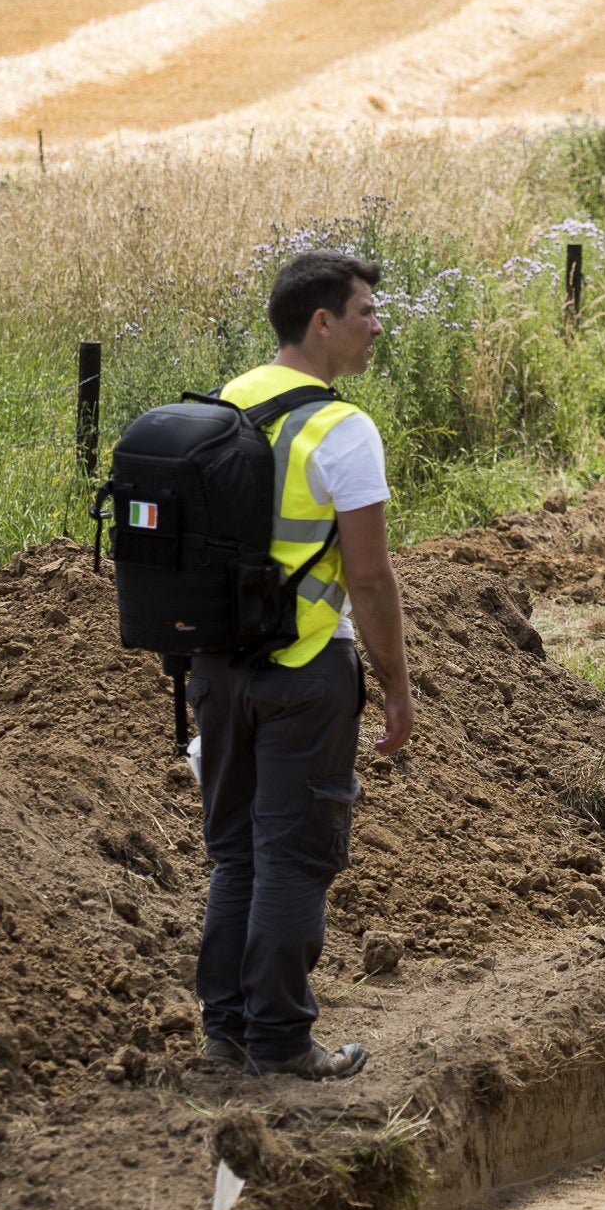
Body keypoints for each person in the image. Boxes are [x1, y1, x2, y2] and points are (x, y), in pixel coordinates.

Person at [192, 252, 415, 1081]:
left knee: (238, 854)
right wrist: (395, 682)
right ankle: (281, 1039)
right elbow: (369, 576)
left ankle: (227, 1031)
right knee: (294, 855)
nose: (376, 324)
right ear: (321, 322)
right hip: (305, 669)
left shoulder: (223, 403)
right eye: (365, 310)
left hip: (217, 669)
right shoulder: (342, 429)